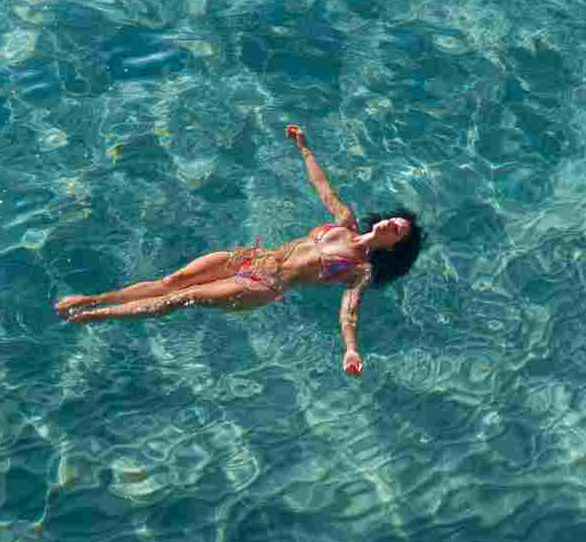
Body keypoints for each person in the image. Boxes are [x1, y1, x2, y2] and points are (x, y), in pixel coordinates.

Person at [54, 124, 424, 376]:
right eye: (395, 220)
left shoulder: (360, 271)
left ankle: (98, 316)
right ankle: (92, 298)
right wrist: (304, 148)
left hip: (264, 286)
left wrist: (350, 348)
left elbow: (349, 312)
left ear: (393, 247)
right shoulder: (345, 221)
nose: (392, 224)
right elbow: (322, 187)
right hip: (252, 257)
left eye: (398, 231)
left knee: (187, 297)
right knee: (175, 280)